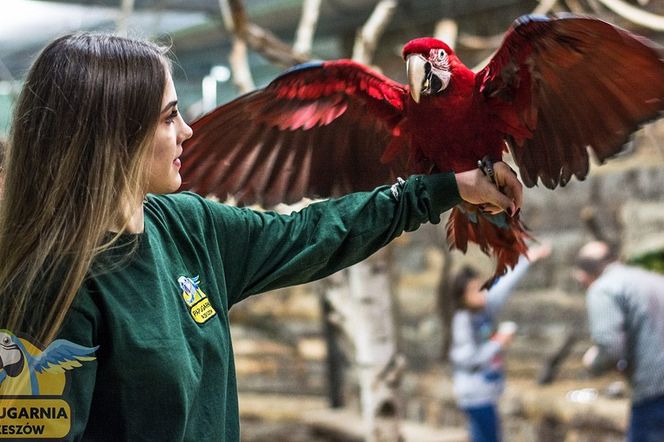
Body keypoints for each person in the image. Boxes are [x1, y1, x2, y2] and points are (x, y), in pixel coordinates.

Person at [0, 32, 522, 440]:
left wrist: (447, 187)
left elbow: (310, 233)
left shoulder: (184, 225)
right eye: (169, 117)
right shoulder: (53, 284)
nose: (186, 131)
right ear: (114, 136)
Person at [448, 244, 550, 442]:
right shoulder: (463, 322)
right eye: (474, 290)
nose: (481, 293)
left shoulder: (485, 306)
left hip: (487, 391)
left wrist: (529, 258)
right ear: (462, 296)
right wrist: (498, 343)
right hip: (474, 394)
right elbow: (467, 358)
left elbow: (504, 284)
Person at [575, 240, 664, 442]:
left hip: (654, 393)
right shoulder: (653, 279)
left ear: (583, 275)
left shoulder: (603, 288)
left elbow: (610, 347)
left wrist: (592, 362)